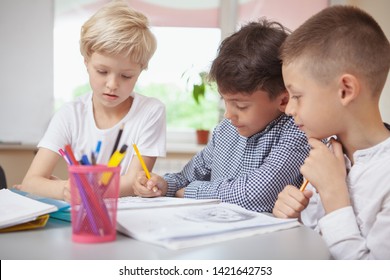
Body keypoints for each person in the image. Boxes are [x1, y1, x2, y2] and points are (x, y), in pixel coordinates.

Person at [134, 19, 310, 213]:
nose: (228, 114)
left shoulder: (297, 132)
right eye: (224, 100)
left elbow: (256, 194)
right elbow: (186, 176)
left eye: (241, 106)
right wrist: (164, 184)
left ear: (283, 100)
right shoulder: (226, 131)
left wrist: (189, 192)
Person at [17, 1, 166, 202]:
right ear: (86, 61)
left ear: (141, 70)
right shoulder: (70, 114)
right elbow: (30, 182)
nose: (112, 84)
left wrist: (68, 186)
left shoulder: (150, 111)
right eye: (102, 71)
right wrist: (65, 189)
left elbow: (134, 183)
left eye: (126, 76)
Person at [272, 5, 390, 259]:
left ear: (345, 90)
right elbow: (318, 248)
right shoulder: (327, 155)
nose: (289, 109)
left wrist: (334, 194)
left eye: (297, 96)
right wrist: (295, 220)